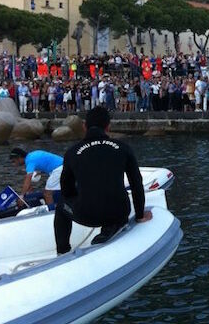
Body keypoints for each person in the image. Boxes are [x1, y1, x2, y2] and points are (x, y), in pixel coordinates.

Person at [55, 106, 150, 254]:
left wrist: (83, 198)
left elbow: (66, 189)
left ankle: (62, 252)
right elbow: (136, 183)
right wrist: (140, 215)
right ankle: (112, 226)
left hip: (87, 215)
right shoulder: (123, 148)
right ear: (108, 126)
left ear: (84, 126)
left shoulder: (72, 152)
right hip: (119, 212)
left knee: (61, 206)